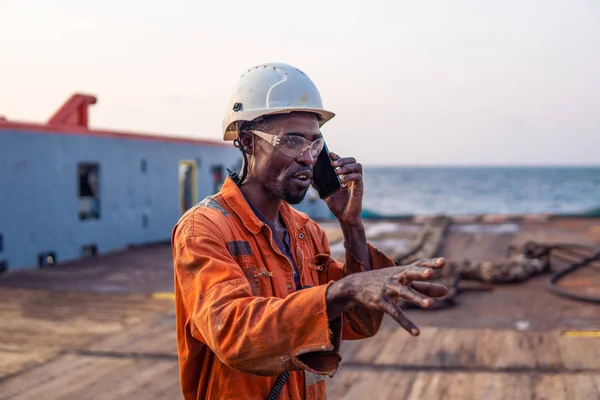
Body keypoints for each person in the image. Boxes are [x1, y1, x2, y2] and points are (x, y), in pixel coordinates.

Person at [171, 62, 448, 400]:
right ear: (246, 141)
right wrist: (343, 289)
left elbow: (359, 321)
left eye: (315, 145)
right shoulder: (203, 228)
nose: (306, 157)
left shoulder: (306, 231)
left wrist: (352, 227)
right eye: (291, 141)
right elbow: (233, 333)